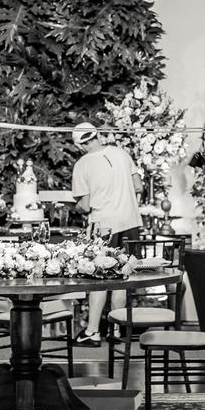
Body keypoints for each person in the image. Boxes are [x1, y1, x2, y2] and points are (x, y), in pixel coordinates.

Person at [69, 121, 144, 346]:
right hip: (131, 222)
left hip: (103, 226)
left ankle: (92, 332)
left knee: (99, 277)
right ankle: (116, 331)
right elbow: (139, 186)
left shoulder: (82, 164)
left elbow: (85, 203)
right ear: (97, 135)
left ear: (79, 145)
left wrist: (75, 208)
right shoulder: (122, 153)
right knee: (123, 276)